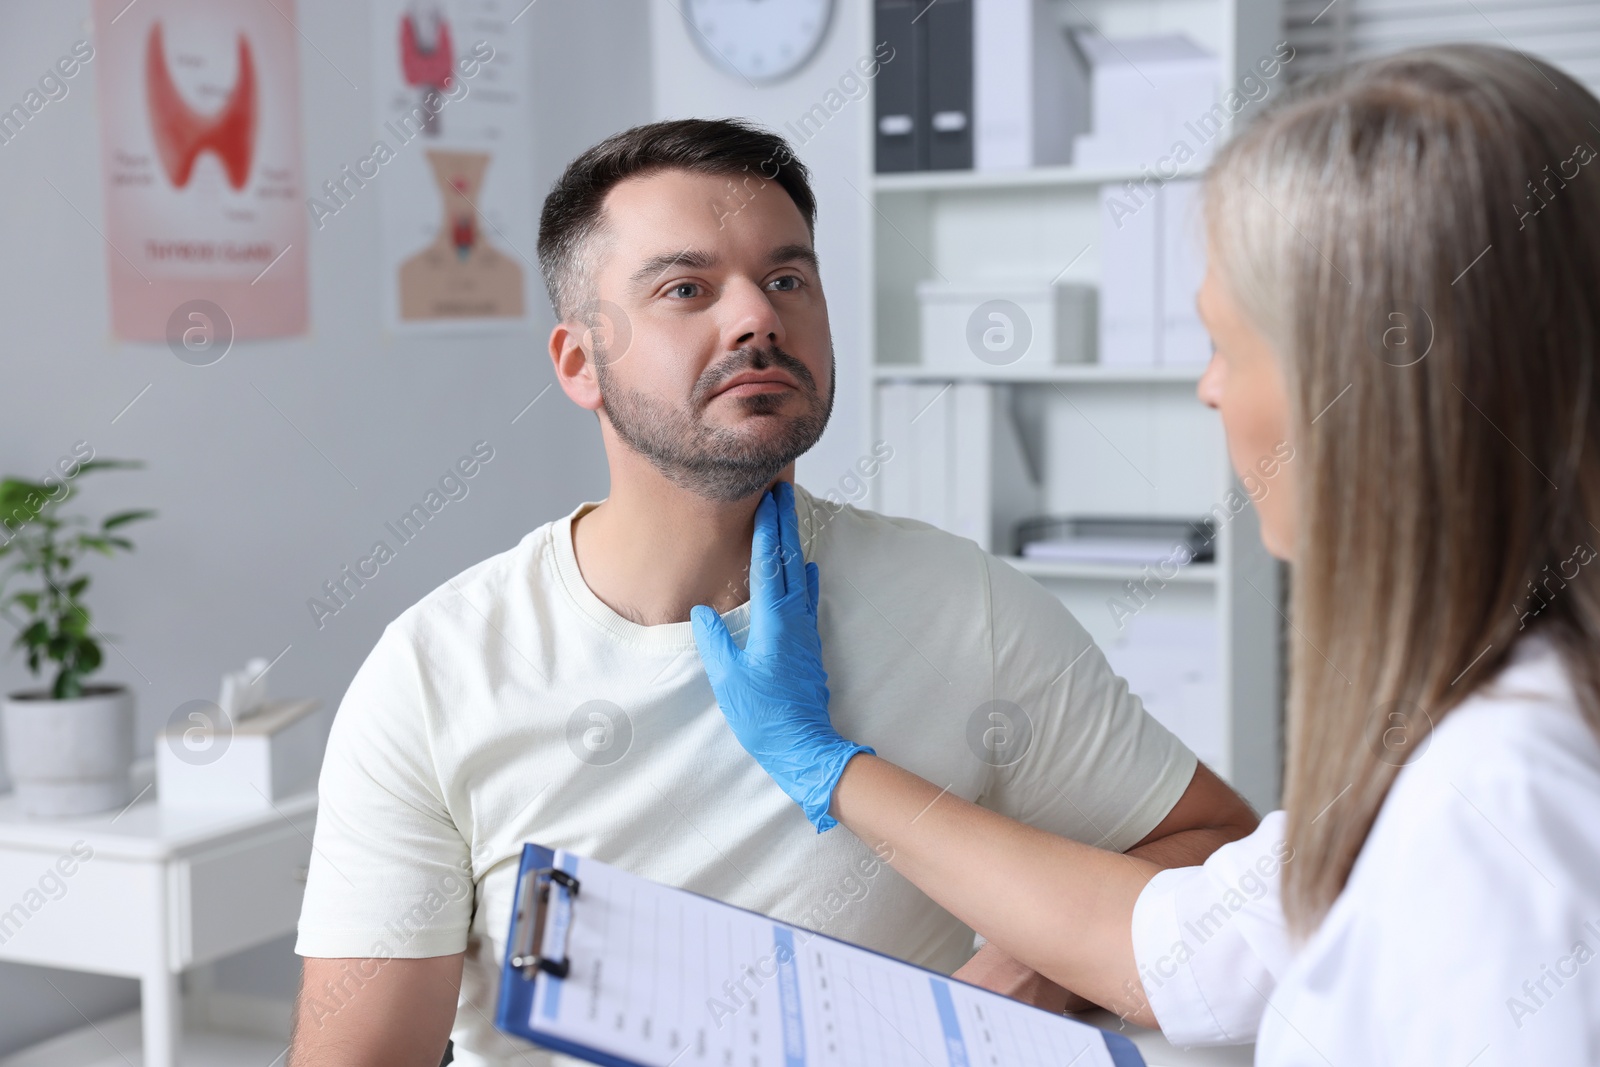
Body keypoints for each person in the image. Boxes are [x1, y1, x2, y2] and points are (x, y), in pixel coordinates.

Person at [692, 45, 1600, 1064]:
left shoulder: (1509, 795)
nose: (1209, 390)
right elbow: (1188, 949)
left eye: (1226, 342)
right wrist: (829, 764)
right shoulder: (1470, 716)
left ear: (1369, 391)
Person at [288, 119, 1259, 1067]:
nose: (756, 315)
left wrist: (1037, 969)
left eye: (787, 277)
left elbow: (1214, 851)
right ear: (579, 361)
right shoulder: (436, 672)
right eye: (686, 287)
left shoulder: (965, 606)